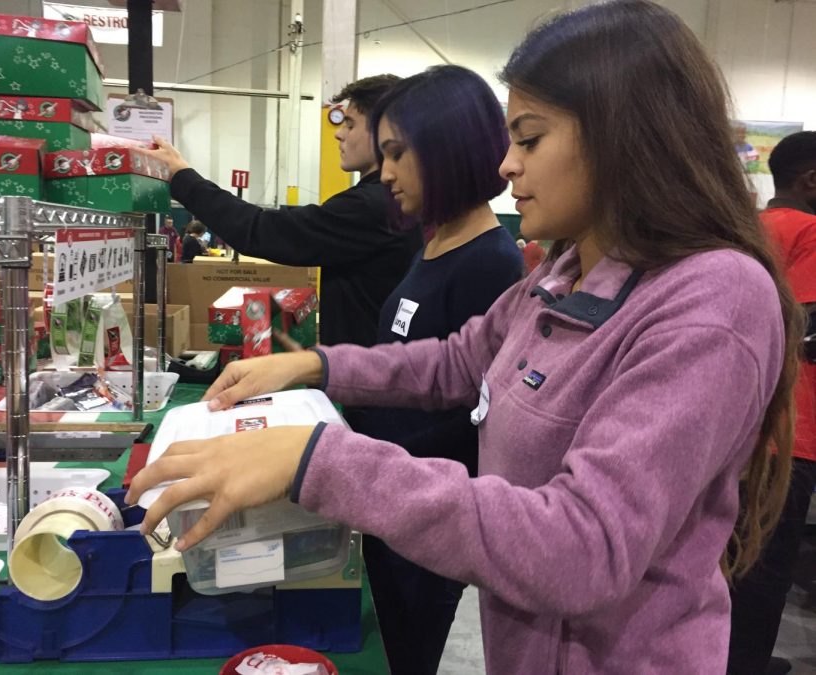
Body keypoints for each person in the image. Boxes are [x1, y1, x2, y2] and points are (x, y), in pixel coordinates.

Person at [126, 2, 803, 672]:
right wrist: (315, 365)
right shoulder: (568, 271)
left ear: (626, 136)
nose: (506, 165)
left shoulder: (712, 299)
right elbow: (458, 360)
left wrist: (321, 461)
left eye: (530, 139)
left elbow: (583, 544)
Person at [349, 65, 522, 675]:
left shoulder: (493, 265)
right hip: (385, 496)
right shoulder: (432, 242)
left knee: (405, 650)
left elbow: (469, 403)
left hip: (424, 512)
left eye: (398, 154)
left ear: (448, 149)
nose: (386, 172)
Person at [138, 74, 422, 348]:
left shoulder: (371, 206)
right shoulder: (381, 200)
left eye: (349, 124)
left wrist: (182, 178)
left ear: (384, 132)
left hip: (371, 381)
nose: (338, 134)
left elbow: (260, 231)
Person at [728, 131, 816, 675]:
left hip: (744, 423)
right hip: (794, 429)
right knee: (765, 576)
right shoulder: (811, 231)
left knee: (736, 561)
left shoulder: (749, 229)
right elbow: (809, 332)